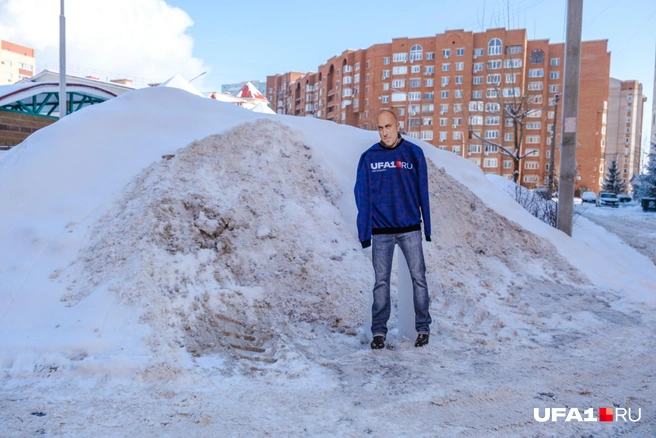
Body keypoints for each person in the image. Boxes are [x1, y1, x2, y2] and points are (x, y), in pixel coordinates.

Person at [354, 110, 432, 350]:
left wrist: (426, 226)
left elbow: (423, 192)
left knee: (419, 278)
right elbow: (362, 196)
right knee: (381, 282)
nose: (384, 132)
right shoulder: (369, 157)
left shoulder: (414, 154)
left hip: (410, 228)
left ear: (398, 126)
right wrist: (364, 233)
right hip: (381, 231)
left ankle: (423, 328)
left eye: (388, 126)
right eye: (380, 127)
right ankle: (379, 332)